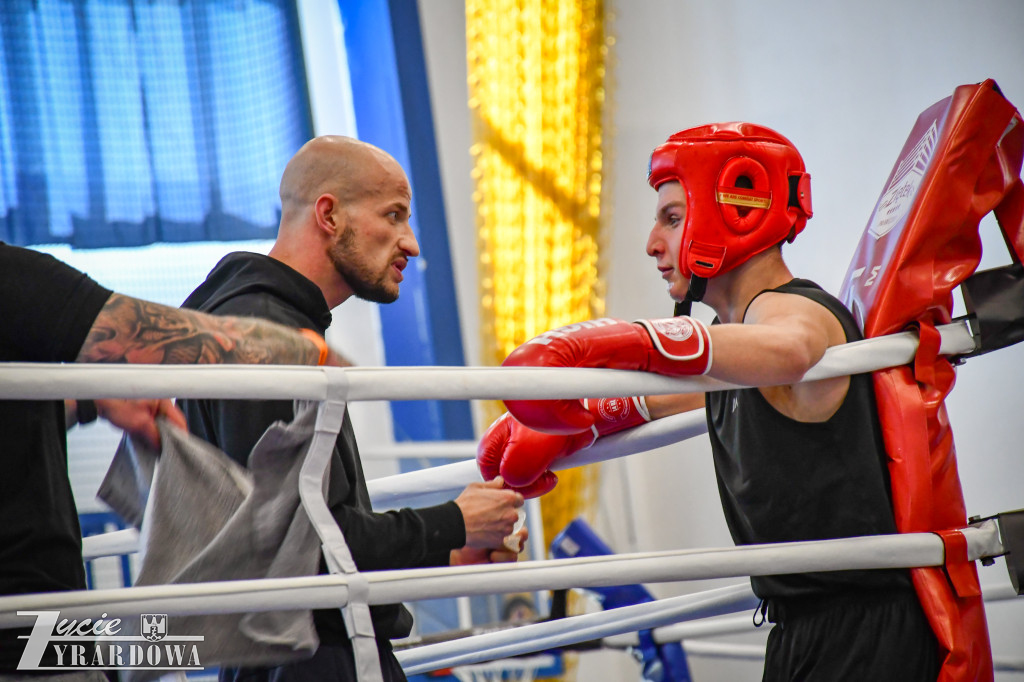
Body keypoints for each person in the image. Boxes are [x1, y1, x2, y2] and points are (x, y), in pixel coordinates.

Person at [478, 123, 940, 680]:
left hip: (864, 630)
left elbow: (791, 347)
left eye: (672, 218)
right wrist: (569, 426)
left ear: (737, 211)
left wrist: (623, 340)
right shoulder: (732, 350)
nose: (653, 242)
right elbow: (667, 399)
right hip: (802, 628)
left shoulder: (797, 312)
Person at [177, 135, 526, 682]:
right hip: (315, 661)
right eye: (394, 216)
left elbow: (308, 532)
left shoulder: (271, 325)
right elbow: (296, 551)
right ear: (329, 215)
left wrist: (446, 552)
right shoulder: (261, 336)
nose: (410, 243)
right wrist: (452, 523)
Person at [0, 240, 351, 676]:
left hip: (46, 623)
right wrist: (305, 352)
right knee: (151, 648)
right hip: (24, 630)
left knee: (140, 652)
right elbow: (139, 334)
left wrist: (86, 399)